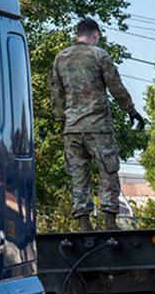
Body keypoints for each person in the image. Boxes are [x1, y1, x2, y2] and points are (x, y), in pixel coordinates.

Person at [50, 18, 144, 230]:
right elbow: (115, 86)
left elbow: (56, 93)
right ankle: (110, 222)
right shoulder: (99, 54)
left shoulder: (60, 58)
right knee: (107, 170)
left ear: (77, 34)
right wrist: (131, 110)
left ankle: (84, 224)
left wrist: (61, 120)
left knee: (78, 174)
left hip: (72, 129)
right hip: (98, 126)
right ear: (95, 35)